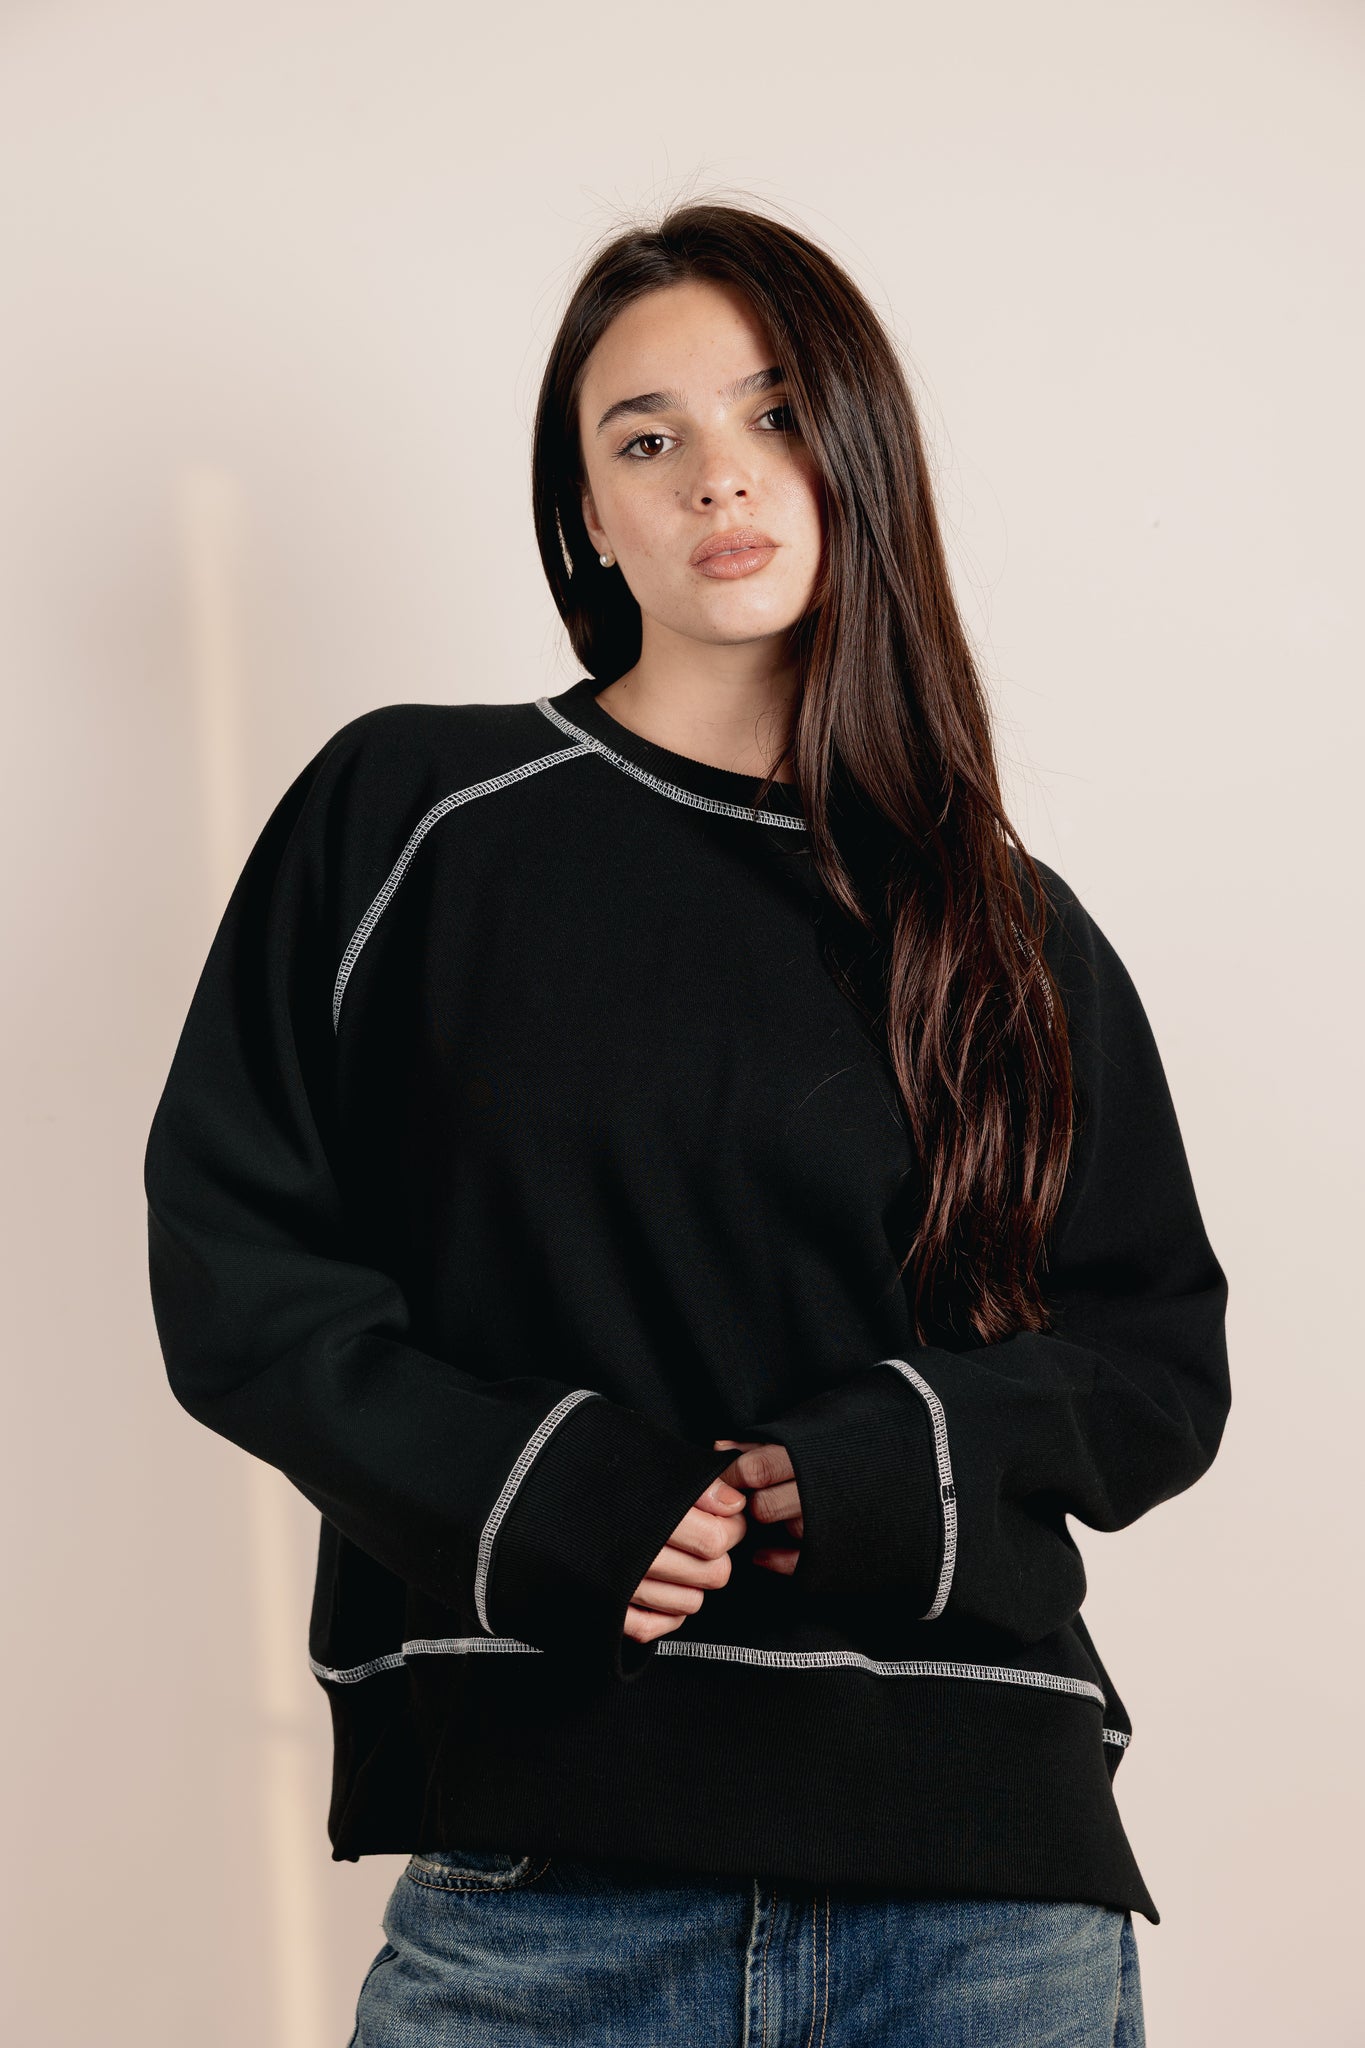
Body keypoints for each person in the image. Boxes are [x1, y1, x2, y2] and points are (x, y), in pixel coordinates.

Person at [143, 199, 1229, 2046]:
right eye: (646, 439)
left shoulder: (1007, 931)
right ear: (584, 510)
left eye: (775, 413)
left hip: (978, 1901)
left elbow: (1152, 1357)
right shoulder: (414, 819)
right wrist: (531, 1487)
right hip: (543, 1894)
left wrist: (880, 1465)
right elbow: (239, 1264)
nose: (718, 475)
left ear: (858, 454)